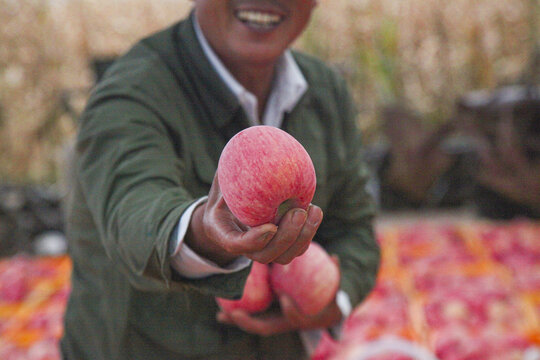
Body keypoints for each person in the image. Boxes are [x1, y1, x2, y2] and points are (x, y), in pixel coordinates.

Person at [61, 1, 380, 359]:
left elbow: (355, 230)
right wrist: (206, 232)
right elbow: (133, 214)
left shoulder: (327, 92)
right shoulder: (130, 94)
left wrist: (331, 300)